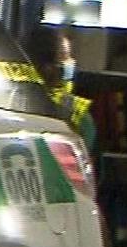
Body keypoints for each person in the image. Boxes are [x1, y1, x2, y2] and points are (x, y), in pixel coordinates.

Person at [25, 24, 98, 152]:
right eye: (65, 56)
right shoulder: (77, 112)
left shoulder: (7, 98)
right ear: (49, 66)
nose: (71, 61)